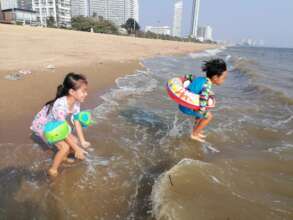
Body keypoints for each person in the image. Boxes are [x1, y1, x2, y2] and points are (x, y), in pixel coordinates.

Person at [31, 73, 91, 177]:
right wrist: (76, 149)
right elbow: (62, 131)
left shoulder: (76, 102)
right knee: (65, 147)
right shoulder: (60, 106)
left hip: (57, 125)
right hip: (44, 126)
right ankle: (53, 169)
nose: (86, 94)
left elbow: (76, 121)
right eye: (83, 91)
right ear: (72, 92)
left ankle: (63, 157)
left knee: (75, 141)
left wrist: (82, 141)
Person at [179, 58, 227, 143]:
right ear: (215, 77)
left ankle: (196, 130)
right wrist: (202, 111)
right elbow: (203, 97)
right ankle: (194, 134)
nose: (224, 80)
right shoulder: (207, 85)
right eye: (223, 78)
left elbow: (191, 80)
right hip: (187, 107)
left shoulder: (201, 78)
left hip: (183, 103)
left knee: (202, 113)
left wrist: (201, 111)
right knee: (208, 116)